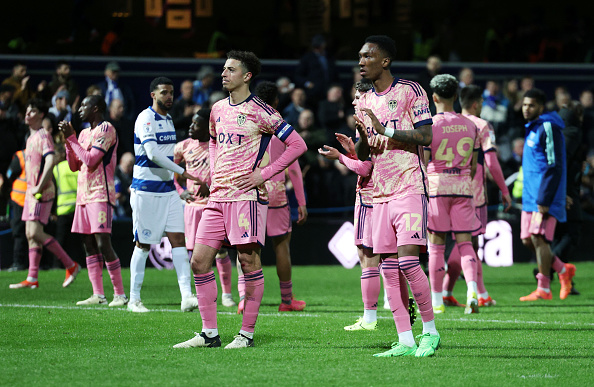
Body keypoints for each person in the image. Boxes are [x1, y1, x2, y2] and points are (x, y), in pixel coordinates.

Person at [173, 50, 306, 349]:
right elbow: (212, 141)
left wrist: (265, 174)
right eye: (223, 69)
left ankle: (245, 335)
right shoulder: (217, 108)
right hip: (218, 196)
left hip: (246, 198)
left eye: (230, 69)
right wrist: (215, 172)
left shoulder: (263, 111)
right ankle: (209, 334)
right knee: (199, 261)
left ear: (246, 76)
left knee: (248, 260)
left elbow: (297, 144)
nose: (223, 74)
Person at [354, 35, 439, 357]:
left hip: (408, 186)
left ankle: (430, 332)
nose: (361, 61)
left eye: (368, 56)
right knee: (388, 267)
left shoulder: (410, 91)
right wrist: (360, 138)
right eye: (360, 56)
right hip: (379, 193)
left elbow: (427, 136)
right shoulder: (363, 102)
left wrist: (386, 130)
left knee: (407, 261)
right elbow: (366, 156)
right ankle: (405, 339)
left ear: (385, 61)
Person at [319, 79, 411, 330]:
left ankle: (370, 319)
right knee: (391, 259)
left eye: (357, 97)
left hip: (372, 201)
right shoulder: (375, 125)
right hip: (382, 197)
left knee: (369, 257)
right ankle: (403, 306)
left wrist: (340, 157)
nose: (353, 102)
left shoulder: (372, 125)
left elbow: (366, 167)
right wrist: (351, 150)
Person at [128, 77, 200, 313]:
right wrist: (182, 172)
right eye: (164, 93)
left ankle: (187, 296)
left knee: (179, 240)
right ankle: (134, 299)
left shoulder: (168, 119)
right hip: (146, 191)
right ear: (153, 95)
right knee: (144, 244)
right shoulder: (145, 118)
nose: (168, 97)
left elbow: (166, 155)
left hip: (167, 190)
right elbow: (152, 154)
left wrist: (177, 178)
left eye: (171, 92)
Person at [441, 85, 512, 308]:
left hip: (444, 189)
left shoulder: (448, 123)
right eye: (481, 102)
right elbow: (491, 161)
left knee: (455, 243)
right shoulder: (481, 125)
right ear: (476, 103)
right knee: (469, 243)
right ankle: (477, 293)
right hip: (473, 193)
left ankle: (446, 291)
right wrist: (504, 189)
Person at [59, 95, 128, 306]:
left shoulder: (106, 129)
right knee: (88, 244)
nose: (80, 109)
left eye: (84, 105)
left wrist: (71, 139)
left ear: (95, 108)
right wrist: (67, 142)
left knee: (102, 243)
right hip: (83, 195)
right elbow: (74, 165)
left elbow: (90, 160)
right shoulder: (83, 133)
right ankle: (98, 295)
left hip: (100, 193)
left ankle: (120, 295)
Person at [423, 74, 481, 315]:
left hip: (437, 187)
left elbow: (424, 162)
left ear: (433, 97)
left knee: (436, 247)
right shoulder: (471, 124)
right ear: (457, 96)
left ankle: (436, 301)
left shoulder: (431, 125)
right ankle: (472, 292)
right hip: (463, 187)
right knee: (466, 243)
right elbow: (475, 166)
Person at [10, 99, 80, 289]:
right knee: (30, 234)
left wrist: (40, 186)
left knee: (34, 232)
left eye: (32, 111)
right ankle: (32, 277)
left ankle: (70, 265)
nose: (27, 114)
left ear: (41, 115)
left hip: (41, 192)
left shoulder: (43, 136)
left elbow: (50, 161)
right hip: (32, 192)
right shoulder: (30, 137)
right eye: (27, 111)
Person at [251, 80, 308, 313]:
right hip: (275, 193)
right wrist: (301, 202)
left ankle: (246, 300)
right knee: (281, 248)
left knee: (247, 249)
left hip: (250, 191)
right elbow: (293, 168)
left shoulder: (246, 125)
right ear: (276, 101)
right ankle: (286, 301)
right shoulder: (281, 127)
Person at [173, 109, 236, 308]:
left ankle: (226, 295)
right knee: (196, 255)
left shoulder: (218, 147)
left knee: (220, 252)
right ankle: (203, 295)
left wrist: (211, 186)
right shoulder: (182, 147)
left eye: (196, 124)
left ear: (207, 127)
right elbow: (170, 173)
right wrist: (180, 191)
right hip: (192, 208)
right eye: (191, 123)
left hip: (214, 206)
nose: (191, 127)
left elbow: (229, 171)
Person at [519, 88, 575, 301]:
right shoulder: (532, 128)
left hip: (543, 197)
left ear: (541, 107)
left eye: (531, 105)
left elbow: (554, 165)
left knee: (539, 238)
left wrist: (546, 198)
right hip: (530, 196)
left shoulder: (548, 127)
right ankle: (563, 269)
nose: (526, 109)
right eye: (524, 104)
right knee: (527, 240)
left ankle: (544, 287)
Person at [114, 152, 134, 218]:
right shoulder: (114, 174)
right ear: (121, 161)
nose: (130, 168)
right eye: (128, 165)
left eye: (132, 166)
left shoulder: (132, 176)